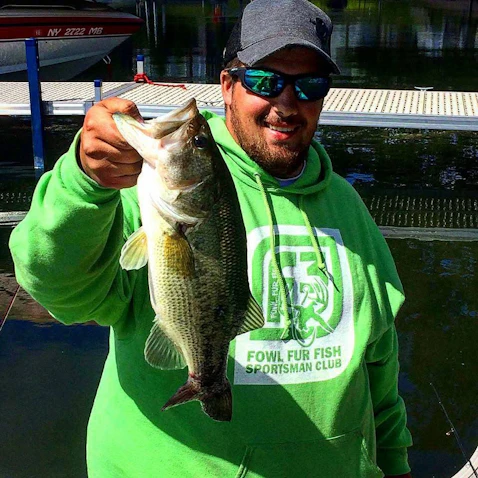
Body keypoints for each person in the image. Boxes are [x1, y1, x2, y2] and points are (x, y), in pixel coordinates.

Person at [9, 0, 413, 476]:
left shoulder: (348, 205)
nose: (287, 103)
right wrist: (85, 180)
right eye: (264, 81)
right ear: (227, 86)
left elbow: (379, 361)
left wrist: (395, 462)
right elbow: (58, 287)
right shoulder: (142, 193)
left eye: (310, 85)